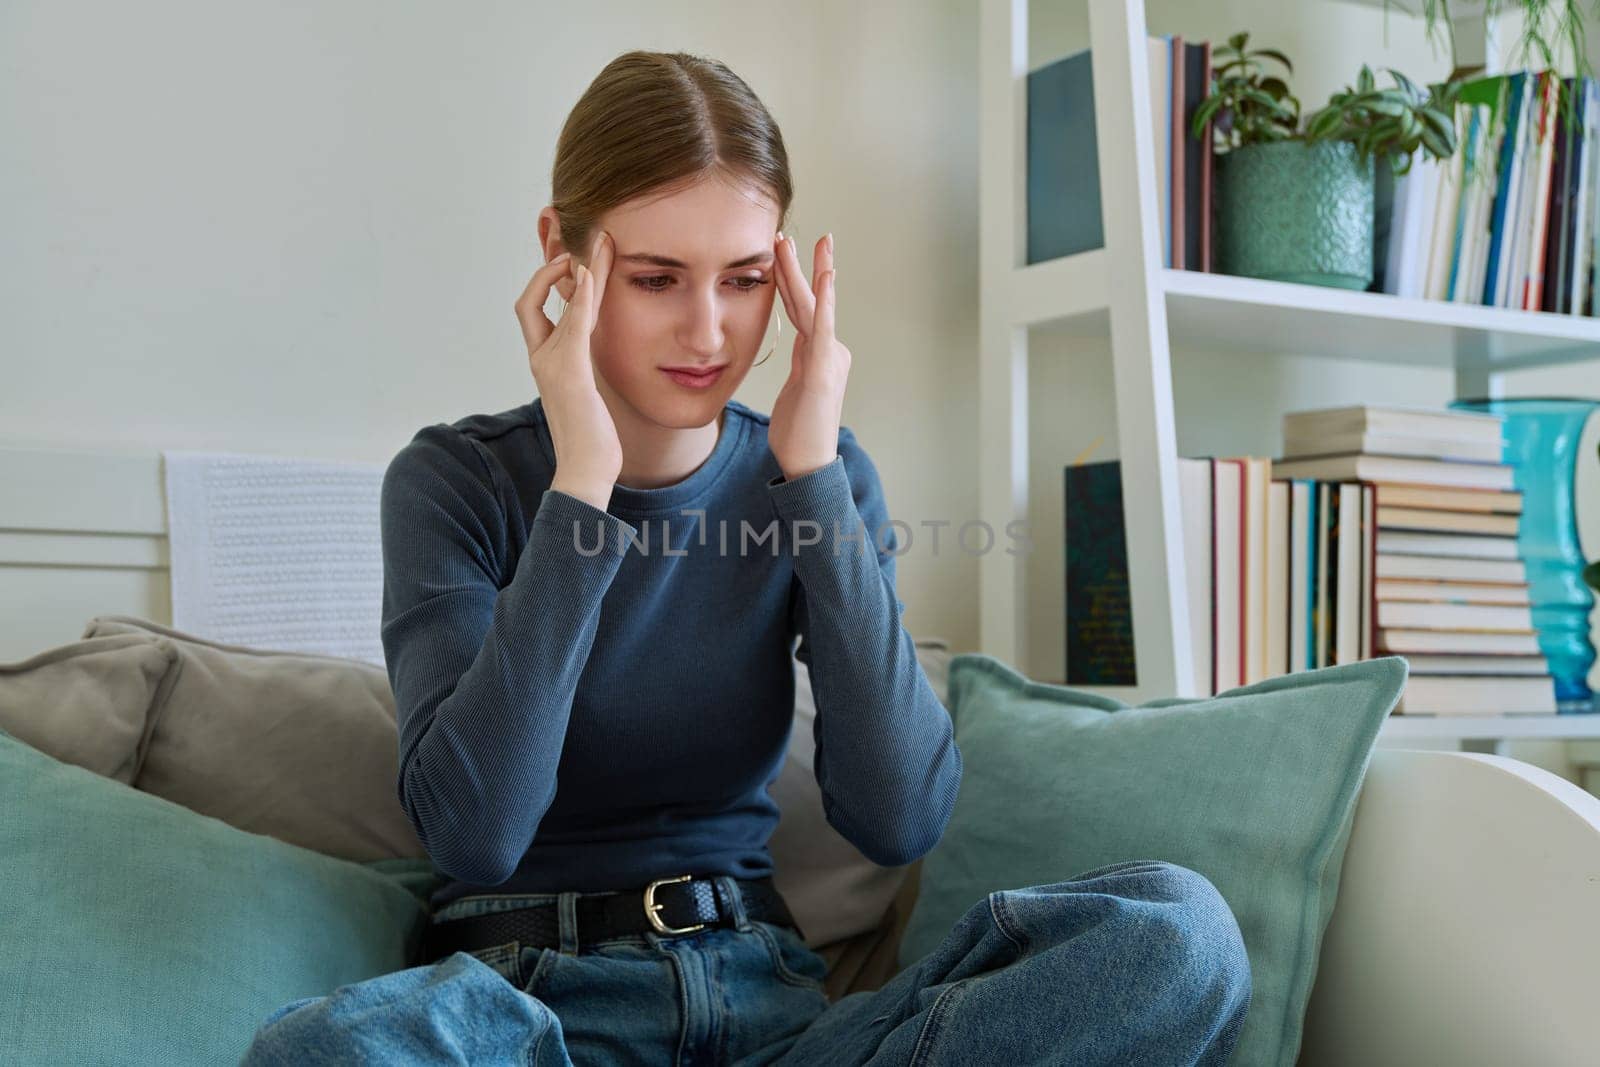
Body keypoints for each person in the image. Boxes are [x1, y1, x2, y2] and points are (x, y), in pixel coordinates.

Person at [240, 49, 1251, 1066]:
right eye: (655, 279)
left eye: (745, 279)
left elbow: (900, 815)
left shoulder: (820, 473)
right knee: (322, 1051)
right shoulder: (454, 481)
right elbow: (476, 829)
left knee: (1175, 933)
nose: (708, 330)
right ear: (562, 253)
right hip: (529, 1014)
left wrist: (811, 471)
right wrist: (582, 482)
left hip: (767, 1009)